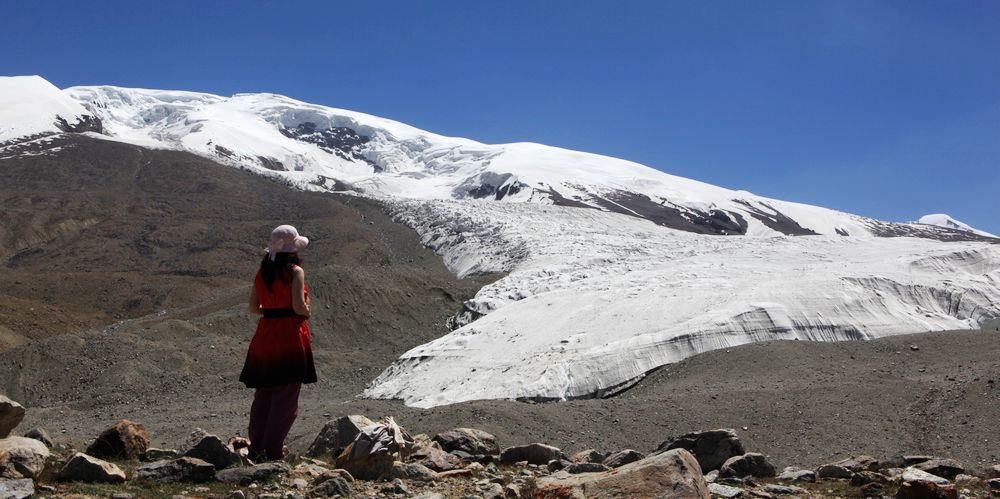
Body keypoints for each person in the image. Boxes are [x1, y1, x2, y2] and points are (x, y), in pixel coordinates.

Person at [239, 224, 317, 462]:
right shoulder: (295, 272)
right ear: (293, 250)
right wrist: (307, 309)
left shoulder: (261, 273)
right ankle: (271, 453)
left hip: (265, 335)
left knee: (264, 394)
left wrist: (272, 309)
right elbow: (298, 307)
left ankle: (257, 448)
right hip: (289, 335)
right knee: (285, 398)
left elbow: (254, 308)